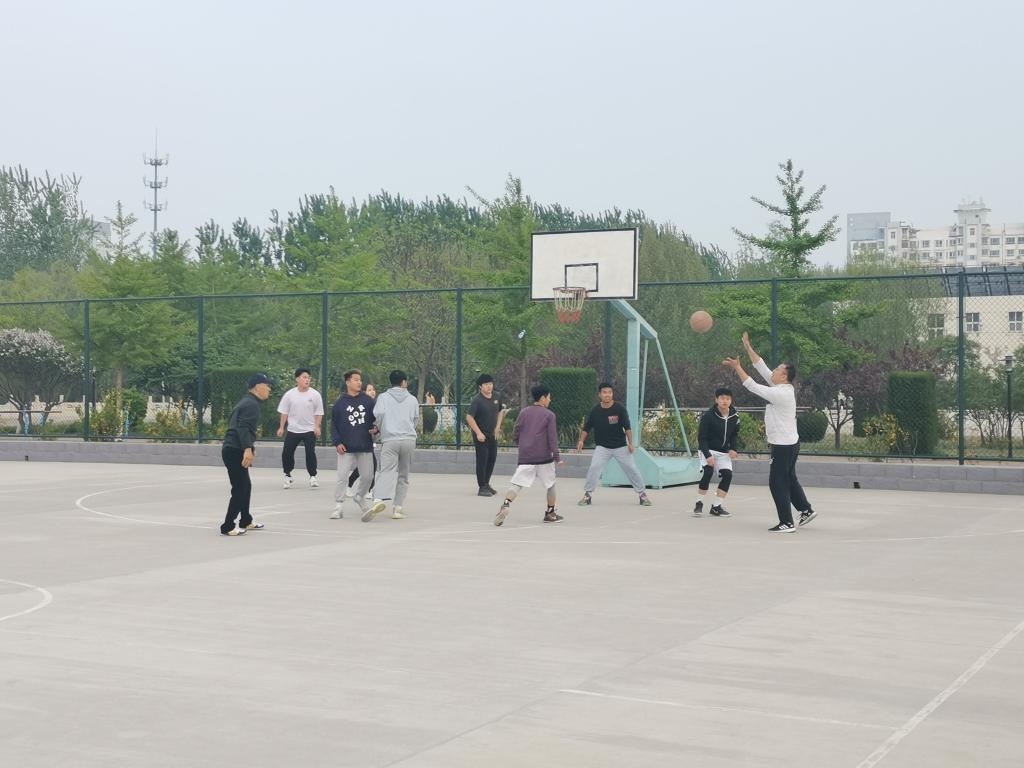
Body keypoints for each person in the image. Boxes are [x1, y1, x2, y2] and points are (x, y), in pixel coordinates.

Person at [723, 332, 817, 532]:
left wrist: (738, 367)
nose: (772, 371)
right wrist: (748, 347)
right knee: (789, 478)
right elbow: (761, 366)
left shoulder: (780, 393)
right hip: (790, 443)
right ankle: (806, 510)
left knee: (777, 483)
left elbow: (753, 386)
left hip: (783, 446)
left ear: (784, 376)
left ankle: (787, 522)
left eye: (777, 369)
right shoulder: (781, 386)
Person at [495, 385, 564, 526]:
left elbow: (516, 431)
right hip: (544, 458)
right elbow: (552, 439)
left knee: (518, 483)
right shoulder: (549, 415)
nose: (550, 400)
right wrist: (557, 458)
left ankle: (506, 504)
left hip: (526, 456)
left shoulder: (524, 412)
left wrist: (521, 444)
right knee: (550, 484)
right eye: (549, 397)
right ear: (543, 398)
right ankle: (550, 513)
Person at [576, 383, 652, 507]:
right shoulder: (595, 411)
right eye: (604, 392)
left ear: (612, 394)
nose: (607, 395)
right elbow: (587, 427)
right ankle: (587, 495)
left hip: (620, 446)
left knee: (632, 468)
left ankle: (642, 495)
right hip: (602, 447)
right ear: (599, 394)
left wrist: (630, 444)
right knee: (594, 467)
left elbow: (627, 427)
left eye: (610, 392)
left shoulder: (619, 408)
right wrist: (581, 441)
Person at [363, 370, 419, 522]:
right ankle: (397, 508)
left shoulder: (383, 397)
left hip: (390, 440)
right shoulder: (412, 399)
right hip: (408, 440)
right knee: (403, 475)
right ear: (403, 382)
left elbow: (378, 415)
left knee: (386, 471)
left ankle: (378, 500)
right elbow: (415, 420)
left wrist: (380, 428)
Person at [220, 374, 272, 536]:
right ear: (257, 387)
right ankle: (228, 526)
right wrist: (247, 449)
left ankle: (246, 520)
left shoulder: (247, 402)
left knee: (245, 486)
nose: (269, 389)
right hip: (235, 450)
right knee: (240, 488)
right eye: (267, 385)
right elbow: (242, 428)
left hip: (234, 448)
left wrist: (249, 448)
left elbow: (242, 427)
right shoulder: (251, 404)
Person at [330, 369, 376, 519]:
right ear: (348, 382)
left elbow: (376, 420)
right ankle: (338, 506)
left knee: (368, 476)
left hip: (365, 446)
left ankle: (360, 496)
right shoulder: (340, 403)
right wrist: (337, 442)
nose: (359, 382)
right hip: (346, 447)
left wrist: (376, 429)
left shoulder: (369, 401)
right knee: (342, 476)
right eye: (356, 380)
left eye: (360, 380)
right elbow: (334, 425)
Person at [694, 387, 740, 518]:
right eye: (722, 398)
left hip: (723, 452)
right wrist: (707, 455)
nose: (725, 401)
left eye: (728, 399)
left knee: (727, 475)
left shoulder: (735, 417)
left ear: (731, 400)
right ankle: (699, 503)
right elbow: (702, 438)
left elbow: (734, 435)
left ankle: (716, 507)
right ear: (716, 400)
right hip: (707, 449)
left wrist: (733, 448)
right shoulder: (708, 416)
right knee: (708, 472)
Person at [276, 368, 325, 489]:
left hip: (309, 430)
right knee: (287, 453)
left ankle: (313, 476)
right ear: (297, 379)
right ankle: (287, 474)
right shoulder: (289, 395)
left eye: (308, 378)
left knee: (310, 453)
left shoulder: (315, 395)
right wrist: (281, 427)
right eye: (304, 377)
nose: (307, 380)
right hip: (293, 429)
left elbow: (319, 412)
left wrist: (317, 426)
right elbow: (284, 412)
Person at [466, 373, 506, 496]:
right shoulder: (477, 400)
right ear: (480, 386)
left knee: (492, 458)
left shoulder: (497, 396)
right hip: (481, 435)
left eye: (491, 384)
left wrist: (497, 427)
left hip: (492, 434)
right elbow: (469, 417)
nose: (489, 386)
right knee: (482, 460)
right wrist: (478, 433)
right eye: (486, 384)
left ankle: (487, 483)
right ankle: (481, 487)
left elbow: (500, 411)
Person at [346, 381, 378, 497]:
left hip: (368, 440)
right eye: (369, 390)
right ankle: (368, 490)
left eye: (373, 389)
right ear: (363, 392)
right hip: (359, 440)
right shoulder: (360, 405)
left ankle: (349, 484)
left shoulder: (375, 404)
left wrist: (376, 429)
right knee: (372, 464)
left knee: (364, 466)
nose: (373, 392)